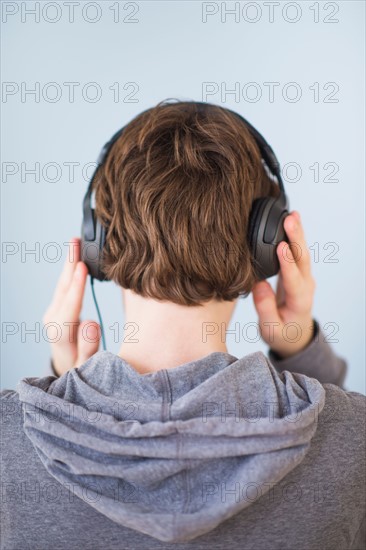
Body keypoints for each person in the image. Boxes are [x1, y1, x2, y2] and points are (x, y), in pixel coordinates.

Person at [1, 101, 365, 550]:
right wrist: (300, 347)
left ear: (97, 241)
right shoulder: (354, 438)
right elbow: (328, 437)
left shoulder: (8, 438)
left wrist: (63, 383)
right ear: (266, 244)